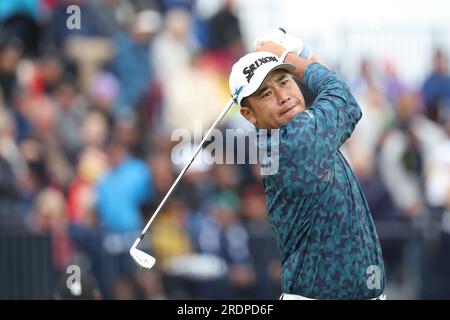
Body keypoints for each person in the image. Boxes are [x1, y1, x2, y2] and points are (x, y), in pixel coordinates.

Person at [228, 28, 386, 300]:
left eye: (284, 81)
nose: (283, 96)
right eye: (265, 94)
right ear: (249, 114)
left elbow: (333, 87)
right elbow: (342, 96)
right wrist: (291, 54)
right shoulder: (295, 142)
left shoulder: (292, 130)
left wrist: (304, 56)